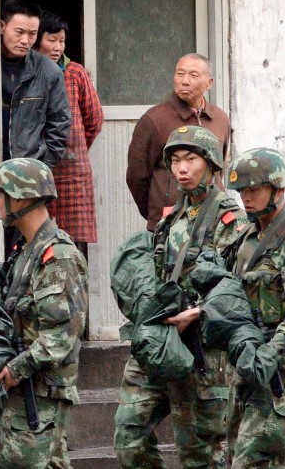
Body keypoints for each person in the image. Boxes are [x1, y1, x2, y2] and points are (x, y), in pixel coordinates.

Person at [113, 126, 246, 468]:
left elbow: (240, 289)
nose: (181, 168)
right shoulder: (171, 216)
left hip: (202, 349)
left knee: (199, 453)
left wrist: (199, 312)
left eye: (190, 159)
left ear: (212, 164)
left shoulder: (230, 220)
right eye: (175, 160)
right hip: (159, 340)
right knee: (129, 435)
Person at [223, 148, 285, 467]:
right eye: (242, 191)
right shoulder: (245, 238)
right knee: (233, 456)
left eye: (254, 189)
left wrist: (272, 350)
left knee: (255, 462)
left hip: (279, 372)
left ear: (279, 189)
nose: (246, 198)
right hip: (244, 365)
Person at [0, 158, 88, 468]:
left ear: (23, 198)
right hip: (27, 388)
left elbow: (61, 336)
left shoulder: (58, 257)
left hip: (40, 391)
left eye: (1, 194)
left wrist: (18, 368)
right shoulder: (26, 252)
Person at [126, 54, 231, 231]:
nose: (185, 81)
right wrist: (157, 210)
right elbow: (137, 177)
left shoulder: (220, 119)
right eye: (180, 74)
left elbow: (219, 168)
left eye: (193, 75)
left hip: (213, 221)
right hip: (169, 223)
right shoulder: (154, 119)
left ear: (209, 83)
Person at [33, 10, 104, 255]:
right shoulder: (27, 71)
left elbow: (94, 120)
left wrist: (76, 147)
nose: (57, 47)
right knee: (38, 239)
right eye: (51, 39)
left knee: (73, 245)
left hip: (73, 173)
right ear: (37, 39)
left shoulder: (74, 73)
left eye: (61, 41)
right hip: (38, 168)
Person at [0, 0, 70, 168]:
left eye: (32, 34)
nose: (25, 40)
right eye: (19, 32)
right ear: (2, 26)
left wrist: (42, 167)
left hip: (28, 172)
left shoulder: (49, 72)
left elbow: (59, 124)